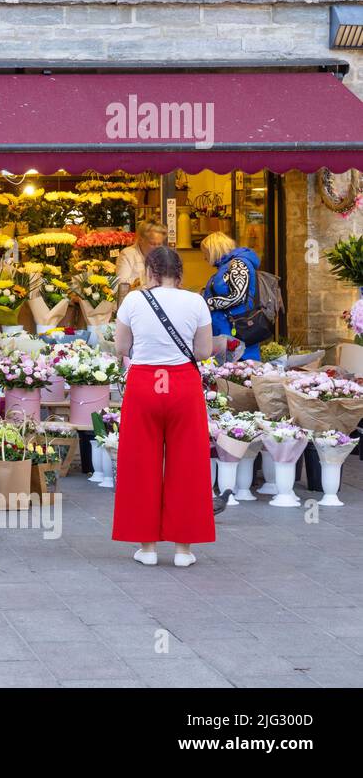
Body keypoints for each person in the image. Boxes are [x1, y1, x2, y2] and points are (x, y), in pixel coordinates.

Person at [112, 245, 215, 567]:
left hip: (144, 384)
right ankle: (184, 549)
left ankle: (148, 547)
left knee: (140, 464)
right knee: (189, 465)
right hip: (183, 384)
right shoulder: (196, 302)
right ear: (179, 272)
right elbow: (203, 350)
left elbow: (121, 346)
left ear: (149, 271)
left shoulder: (133, 300)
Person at [200, 232, 263, 361]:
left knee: (237, 372)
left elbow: (238, 296)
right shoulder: (227, 266)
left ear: (214, 249)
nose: (204, 257)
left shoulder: (238, 264)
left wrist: (209, 303)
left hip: (236, 329)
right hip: (227, 329)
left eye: (205, 252)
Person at [114, 221, 167, 301]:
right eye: (152, 244)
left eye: (159, 244)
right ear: (141, 240)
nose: (157, 248)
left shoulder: (162, 256)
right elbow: (122, 288)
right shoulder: (128, 254)